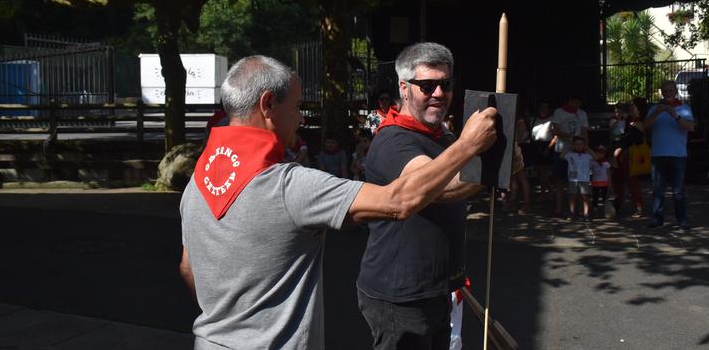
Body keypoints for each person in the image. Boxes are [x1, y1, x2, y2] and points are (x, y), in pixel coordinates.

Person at [178, 55, 498, 349]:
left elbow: (188, 269)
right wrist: (467, 145)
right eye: (297, 106)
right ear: (267, 104)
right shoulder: (290, 186)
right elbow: (399, 200)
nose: (301, 119)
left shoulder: (197, 185)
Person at [357, 42, 489, 350]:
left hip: (437, 289)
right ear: (404, 88)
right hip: (400, 297)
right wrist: (473, 150)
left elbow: (469, 179)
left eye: (445, 84)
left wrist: (503, 163)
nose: (439, 94)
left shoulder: (444, 137)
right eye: (427, 86)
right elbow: (441, 188)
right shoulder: (392, 140)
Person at [643, 80, 695, 230]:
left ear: (676, 91)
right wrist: (656, 113)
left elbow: (691, 127)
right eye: (665, 91)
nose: (668, 94)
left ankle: (682, 220)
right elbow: (644, 126)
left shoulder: (685, 108)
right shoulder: (655, 108)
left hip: (678, 155)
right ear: (662, 92)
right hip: (658, 154)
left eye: (670, 91)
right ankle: (657, 219)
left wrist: (676, 116)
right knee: (658, 189)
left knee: (678, 190)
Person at [551, 95, 589, 217]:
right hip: (562, 150)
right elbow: (555, 130)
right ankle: (558, 209)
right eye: (574, 102)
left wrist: (585, 147)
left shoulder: (582, 114)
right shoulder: (559, 112)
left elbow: (584, 131)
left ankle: (578, 210)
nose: (576, 106)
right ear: (569, 100)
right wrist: (569, 137)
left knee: (578, 181)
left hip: (578, 152)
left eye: (578, 103)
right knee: (560, 181)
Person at [609, 103, 645, 217]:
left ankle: (637, 207)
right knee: (619, 181)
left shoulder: (634, 122)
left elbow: (637, 137)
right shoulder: (625, 122)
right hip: (622, 153)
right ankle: (618, 205)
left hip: (628, 154)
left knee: (630, 181)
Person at [560, 136, 596, 221]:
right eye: (576, 144)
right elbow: (561, 156)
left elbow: (595, 157)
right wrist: (569, 148)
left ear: (584, 145)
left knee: (585, 196)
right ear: (573, 145)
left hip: (584, 178)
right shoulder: (570, 154)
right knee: (572, 195)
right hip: (573, 178)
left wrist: (588, 149)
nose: (579, 146)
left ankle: (586, 213)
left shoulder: (587, 155)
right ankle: (572, 212)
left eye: (581, 144)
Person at [529, 102, 555, 200]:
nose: (543, 109)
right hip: (536, 146)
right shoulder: (534, 119)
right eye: (542, 107)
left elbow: (555, 136)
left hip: (546, 146)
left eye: (546, 107)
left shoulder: (552, 119)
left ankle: (543, 193)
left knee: (544, 172)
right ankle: (551, 190)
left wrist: (548, 148)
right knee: (538, 172)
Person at [590, 145, 612, 214]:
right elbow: (588, 171)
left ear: (604, 154)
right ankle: (595, 209)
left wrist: (609, 183)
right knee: (595, 196)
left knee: (604, 197)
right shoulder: (592, 162)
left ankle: (606, 209)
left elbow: (608, 174)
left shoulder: (606, 163)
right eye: (597, 153)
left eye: (601, 153)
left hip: (604, 183)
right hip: (595, 183)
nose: (599, 154)